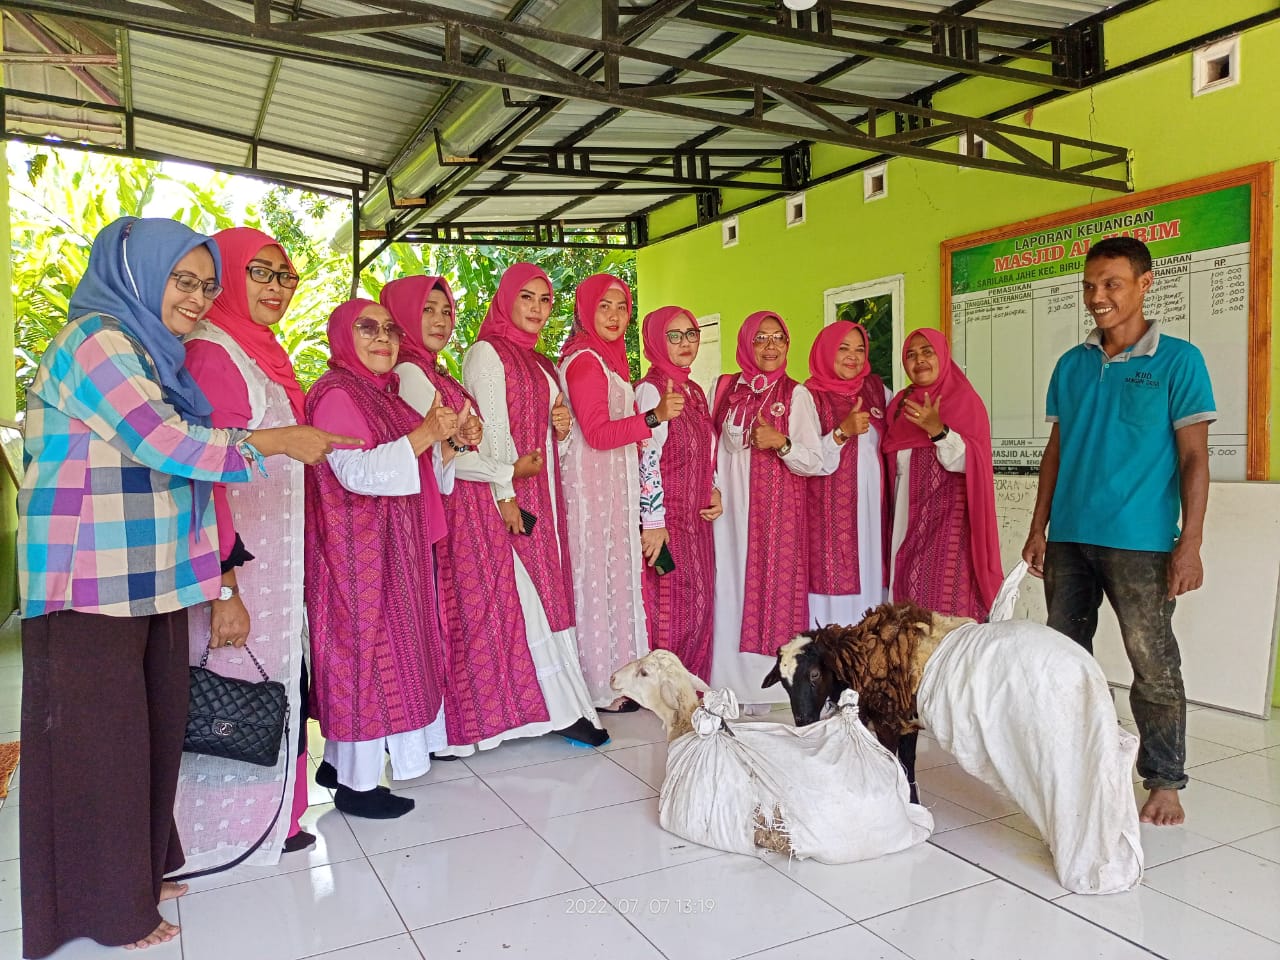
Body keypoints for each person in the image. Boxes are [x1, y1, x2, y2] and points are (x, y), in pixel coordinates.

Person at [17, 217, 353, 956]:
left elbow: (177, 469)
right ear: (139, 276)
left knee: (150, 730)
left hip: (154, 573)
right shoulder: (98, 340)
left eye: (207, 285)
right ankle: (105, 908)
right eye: (184, 281)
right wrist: (273, 442)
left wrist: (211, 572)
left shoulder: (152, 353)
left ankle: (137, 870)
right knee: (95, 746)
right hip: (88, 576)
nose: (199, 298)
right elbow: (163, 442)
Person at [1021, 236, 1214, 827]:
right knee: (1065, 659)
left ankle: (1163, 781)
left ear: (1145, 283)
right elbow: (1057, 451)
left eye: (1111, 284)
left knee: (1151, 662)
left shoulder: (1180, 361)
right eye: (1090, 286)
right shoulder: (1071, 365)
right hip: (1070, 539)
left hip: (1143, 541)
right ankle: (1075, 764)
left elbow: (1194, 459)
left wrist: (1191, 543)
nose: (1098, 297)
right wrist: (1039, 528)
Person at [380, 275, 605, 749]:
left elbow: (475, 436)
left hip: (495, 494)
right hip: (472, 501)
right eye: (428, 311)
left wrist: (555, 431)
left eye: (446, 311)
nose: (441, 320)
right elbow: (461, 447)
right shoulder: (423, 372)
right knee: (507, 606)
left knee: (508, 609)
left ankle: (542, 710)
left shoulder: (443, 371)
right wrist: (506, 481)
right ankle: (534, 714)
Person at [174, 227, 315, 874]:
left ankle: (274, 820)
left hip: (274, 566)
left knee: (264, 691)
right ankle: (214, 836)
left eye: (285, 276)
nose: (277, 288)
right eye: (261, 272)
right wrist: (226, 586)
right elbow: (205, 474)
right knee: (227, 699)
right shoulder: (214, 353)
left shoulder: (257, 353)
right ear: (228, 276)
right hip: (238, 566)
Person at [304, 299, 457, 819]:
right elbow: (355, 473)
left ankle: (344, 766)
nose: (382, 338)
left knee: (379, 657)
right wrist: (426, 436)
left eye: (390, 329)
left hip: (391, 547)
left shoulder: (384, 393)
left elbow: (420, 457)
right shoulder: (336, 393)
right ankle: (357, 787)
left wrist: (450, 442)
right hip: (356, 554)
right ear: (345, 336)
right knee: (363, 659)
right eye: (367, 329)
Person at [559, 274, 685, 710]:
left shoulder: (609, 361)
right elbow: (595, 432)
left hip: (610, 487)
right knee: (595, 581)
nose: (614, 315)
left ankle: (617, 683)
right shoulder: (585, 360)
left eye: (621, 307)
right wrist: (653, 417)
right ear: (586, 311)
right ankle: (598, 686)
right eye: (604, 306)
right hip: (591, 491)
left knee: (611, 580)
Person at [710, 311, 827, 712]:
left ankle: (769, 686)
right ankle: (723, 679)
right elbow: (709, 446)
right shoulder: (723, 387)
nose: (771, 346)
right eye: (761, 338)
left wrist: (782, 442)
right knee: (729, 584)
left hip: (776, 514)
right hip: (727, 512)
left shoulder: (796, 395)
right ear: (746, 343)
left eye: (779, 338)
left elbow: (817, 461)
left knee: (769, 586)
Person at [881, 328, 1002, 622]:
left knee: (947, 600)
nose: (919, 360)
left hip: (951, 523)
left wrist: (938, 430)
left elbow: (972, 462)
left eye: (927, 352)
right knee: (907, 601)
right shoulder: (899, 404)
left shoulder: (964, 400)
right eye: (911, 354)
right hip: (907, 522)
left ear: (942, 356)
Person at [635, 306, 721, 682]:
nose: (686, 342)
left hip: (695, 522)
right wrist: (653, 522)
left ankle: (690, 688)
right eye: (674, 335)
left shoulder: (695, 391)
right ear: (655, 340)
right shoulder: (650, 390)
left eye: (691, 334)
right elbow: (645, 455)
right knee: (666, 604)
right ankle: (660, 691)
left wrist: (713, 487)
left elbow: (705, 447)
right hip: (666, 522)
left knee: (696, 604)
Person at [804, 320, 892, 626]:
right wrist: (842, 432)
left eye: (859, 349)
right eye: (843, 349)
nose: (852, 357)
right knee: (832, 595)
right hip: (827, 515)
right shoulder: (807, 397)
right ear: (826, 352)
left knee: (870, 585)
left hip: (871, 514)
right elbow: (805, 457)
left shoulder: (877, 390)